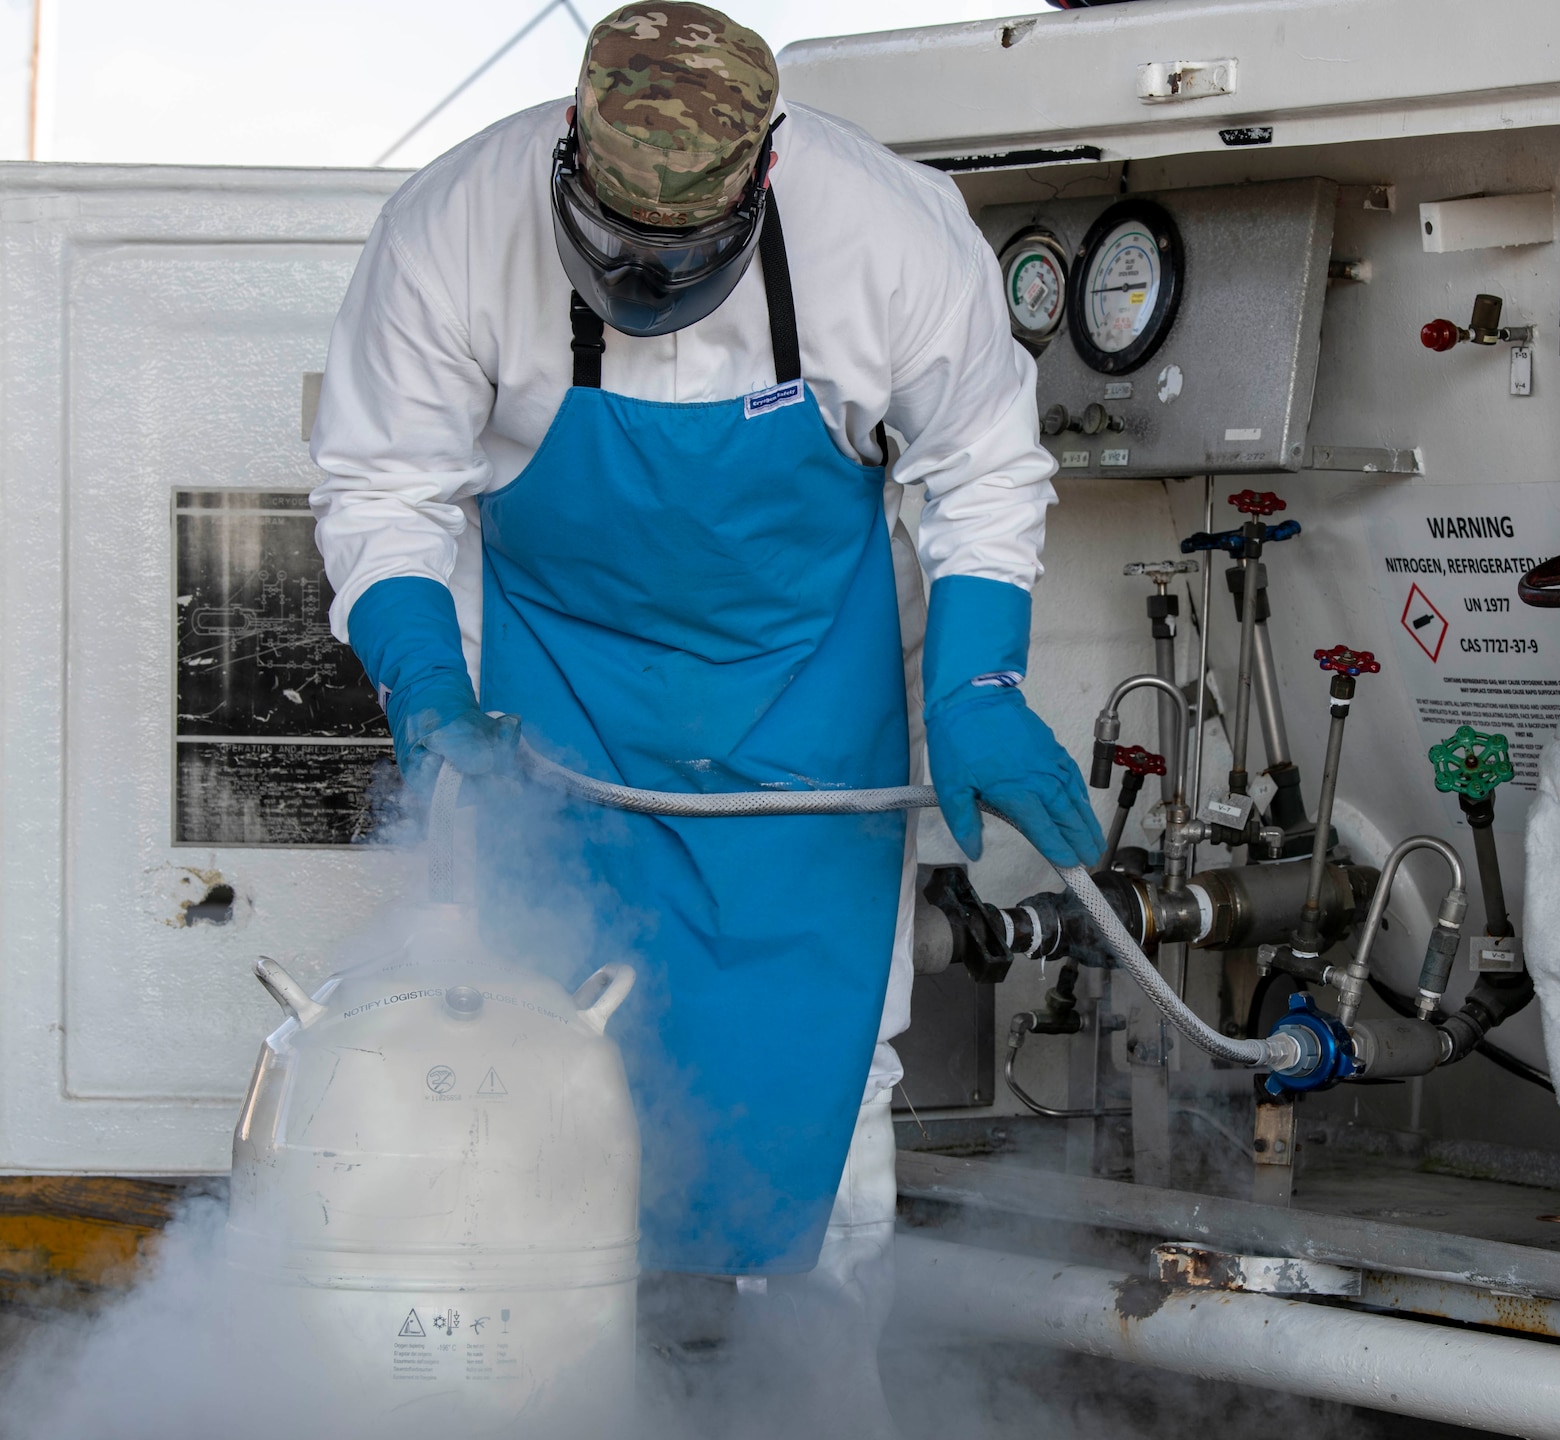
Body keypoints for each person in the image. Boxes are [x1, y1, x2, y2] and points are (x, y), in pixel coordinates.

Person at [309, 2, 1099, 1424]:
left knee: (825, 1093)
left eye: (685, 254)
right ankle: (556, 1403)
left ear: (765, 169)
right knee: (529, 1066)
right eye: (619, 246)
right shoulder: (447, 229)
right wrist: (429, 690)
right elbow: (383, 491)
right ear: (570, 151)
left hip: (810, 700)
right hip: (548, 700)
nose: (650, 274)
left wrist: (979, 685)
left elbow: (983, 471)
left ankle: (822, 1406)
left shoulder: (893, 232)